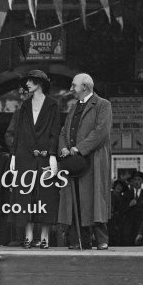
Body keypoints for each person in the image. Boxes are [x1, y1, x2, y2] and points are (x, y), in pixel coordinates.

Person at [5, 70, 60, 249]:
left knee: (46, 196)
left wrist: (52, 155)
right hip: (24, 157)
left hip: (44, 158)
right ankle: (28, 236)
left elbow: (55, 132)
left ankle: (44, 237)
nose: (27, 83)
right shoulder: (24, 106)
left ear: (40, 83)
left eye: (31, 80)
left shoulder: (53, 105)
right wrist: (13, 155)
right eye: (26, 80)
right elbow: (18, 133)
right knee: (25, 196)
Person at [57, 73, 112, 250]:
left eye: (74, 85)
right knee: (76, 199)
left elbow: (101, 132)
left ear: (86, 87)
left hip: (93, 161)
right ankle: (80, 240)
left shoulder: (103, 105)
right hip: (74, 162)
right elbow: (64, 131)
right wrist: (64, 147)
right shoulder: (74, 107)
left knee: (95, 200)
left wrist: (79, 148)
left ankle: (102, 240)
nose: (71, 89)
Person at [120, 171, 143, 246]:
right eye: (135, 179)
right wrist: (129, 205)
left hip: (141, 226)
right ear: (132, 181)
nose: (137, 182)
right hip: (128, 226)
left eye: (139, 179)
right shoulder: (126, 194)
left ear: (142, 181)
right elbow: (120, 209)